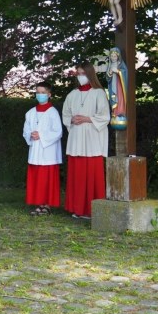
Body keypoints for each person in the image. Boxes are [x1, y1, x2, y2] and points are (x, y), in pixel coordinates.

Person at [61, 62, 110, 219]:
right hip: (76, 139)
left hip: (92, 139)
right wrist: (72, 119)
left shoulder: (99, 93)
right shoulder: (72, 94)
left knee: (91, 175)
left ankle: (91, 210)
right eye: (78, 74)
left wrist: (87, 118)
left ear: (90, 74)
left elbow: (105, 116)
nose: (80, 76)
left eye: (83, 73)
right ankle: (77, 208)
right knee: (77, 176)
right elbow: (65, 114)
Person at [22, 81, 63, 216]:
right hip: (35, 150)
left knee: (47, 179)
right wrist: (31, 135)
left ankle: (47, 205)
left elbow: (58, 132)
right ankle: (39, 203)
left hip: (48, 152)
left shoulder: (53, 112)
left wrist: (42, 135)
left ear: (49, 94)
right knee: (37, 178)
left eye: (43, 93)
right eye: (38, 92)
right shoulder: (30, 113)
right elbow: (26, 129)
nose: (40, 95)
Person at [106, 47, 129, 129]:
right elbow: (107, 79)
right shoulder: (110, 65)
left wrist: (118, 71)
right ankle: (115, 112)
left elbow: (125, 74)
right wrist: (110, 73)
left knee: (120, 98)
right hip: (112, 86)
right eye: (111, 56)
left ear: (118, 56)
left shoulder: (121, 64)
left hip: (119, 86)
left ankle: (121, 112)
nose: (113, 58)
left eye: (114, 56)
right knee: (113, 98)